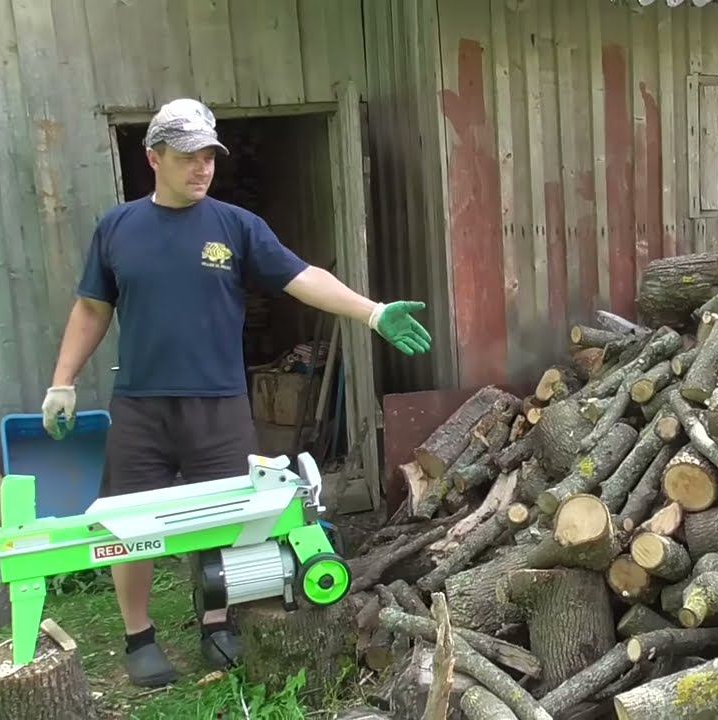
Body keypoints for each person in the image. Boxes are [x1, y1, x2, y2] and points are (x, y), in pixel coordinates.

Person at [39, 98, 430, 687]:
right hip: (141, 404)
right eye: (187, 157)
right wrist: (62, 381)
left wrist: (372, 312)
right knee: (128, 524)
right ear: (153, 158)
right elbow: (92, 307)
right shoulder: (118, 228)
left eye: (209, 156)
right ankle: (138, 636)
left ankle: (217, 622)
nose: (202, 168)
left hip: (219, 403)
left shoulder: (235, 226)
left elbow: (303, 277)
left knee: (226, 519)